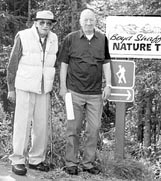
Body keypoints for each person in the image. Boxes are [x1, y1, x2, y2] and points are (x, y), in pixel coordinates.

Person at [58, 8, 112, 175]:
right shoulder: (70, 39)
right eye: (85, 20)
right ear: (81, 22)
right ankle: (71, 163)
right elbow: (64, 64)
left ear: (95, 21)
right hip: (73, 93)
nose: (89, 23)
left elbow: (106, 63)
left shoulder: (102, 39)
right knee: (72, 128)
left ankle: (88, 163)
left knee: (94, 129)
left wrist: (108, 84)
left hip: (95, 94)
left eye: (91, 20)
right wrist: (62, 87)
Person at [6, 10, 58, 176]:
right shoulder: (23, 36)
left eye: (48, 23)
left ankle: (36, 160)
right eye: (41, 22)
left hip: (44, 89)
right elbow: (13, 64)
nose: (45, 26)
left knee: (41, 126)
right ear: (35, 22)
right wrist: (10, 89)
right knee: (22, 125)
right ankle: (18, 160)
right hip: (24, 86)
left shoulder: (54, 39)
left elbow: (52, 64)